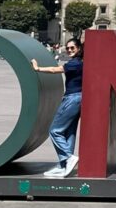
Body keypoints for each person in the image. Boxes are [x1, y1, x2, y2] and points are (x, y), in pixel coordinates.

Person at [32, 38, 83, 177]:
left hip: (72, 99)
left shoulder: (74, 64)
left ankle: (68, 157)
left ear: (79, 49)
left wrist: (38, 68)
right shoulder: (82, 63)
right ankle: (64, 165)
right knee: (69, 132)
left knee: (55, 131)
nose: (69, 50)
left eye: (72, 48)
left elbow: (56, 69)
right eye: (68, 48)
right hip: (79, 98)